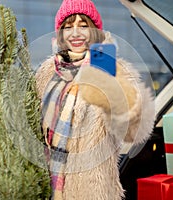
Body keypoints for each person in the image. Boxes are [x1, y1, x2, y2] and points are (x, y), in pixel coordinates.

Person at [35, 0, 155, 199]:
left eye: (83, 25)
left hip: (91, 189)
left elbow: (134, 130)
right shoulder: (47, 74)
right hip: (48, 184)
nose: (75, 33)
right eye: (68, 26)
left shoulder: (110, 69)